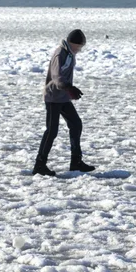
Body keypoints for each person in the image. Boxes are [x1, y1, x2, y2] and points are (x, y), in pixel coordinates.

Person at [33, 29, 95, 177]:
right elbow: (56, 76)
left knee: (76, 124)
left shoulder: (69, 53)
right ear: (72, 43)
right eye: (78, 47)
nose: (79, 50)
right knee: (51, 131)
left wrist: (69, 89)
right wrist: (68, 87)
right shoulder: (60, 54)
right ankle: (39, 165)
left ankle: (76, 162)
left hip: (62, 97)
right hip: (53, 97)